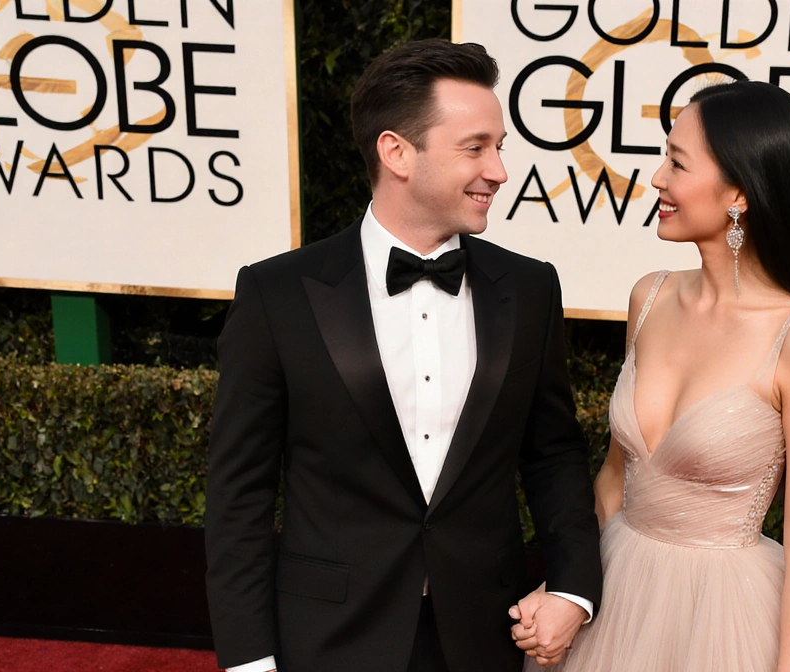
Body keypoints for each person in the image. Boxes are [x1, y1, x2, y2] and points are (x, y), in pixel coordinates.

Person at [205, 39, 602, 672]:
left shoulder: (530, 287)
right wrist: (249, 660)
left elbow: (552, 451)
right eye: (475, 148)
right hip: (329, 637)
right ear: (397, 152)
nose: (498, 170)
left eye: (499, 147)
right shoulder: (278, 292)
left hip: (487, 632)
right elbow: (238, 495)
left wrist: (574, 589)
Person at [511, 81, 790, 671]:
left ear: (740, 193)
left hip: (728, 621)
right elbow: (613, 483)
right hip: (617, 601)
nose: (657, 179)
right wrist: (567, 587)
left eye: (676, 162)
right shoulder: (650, 296)